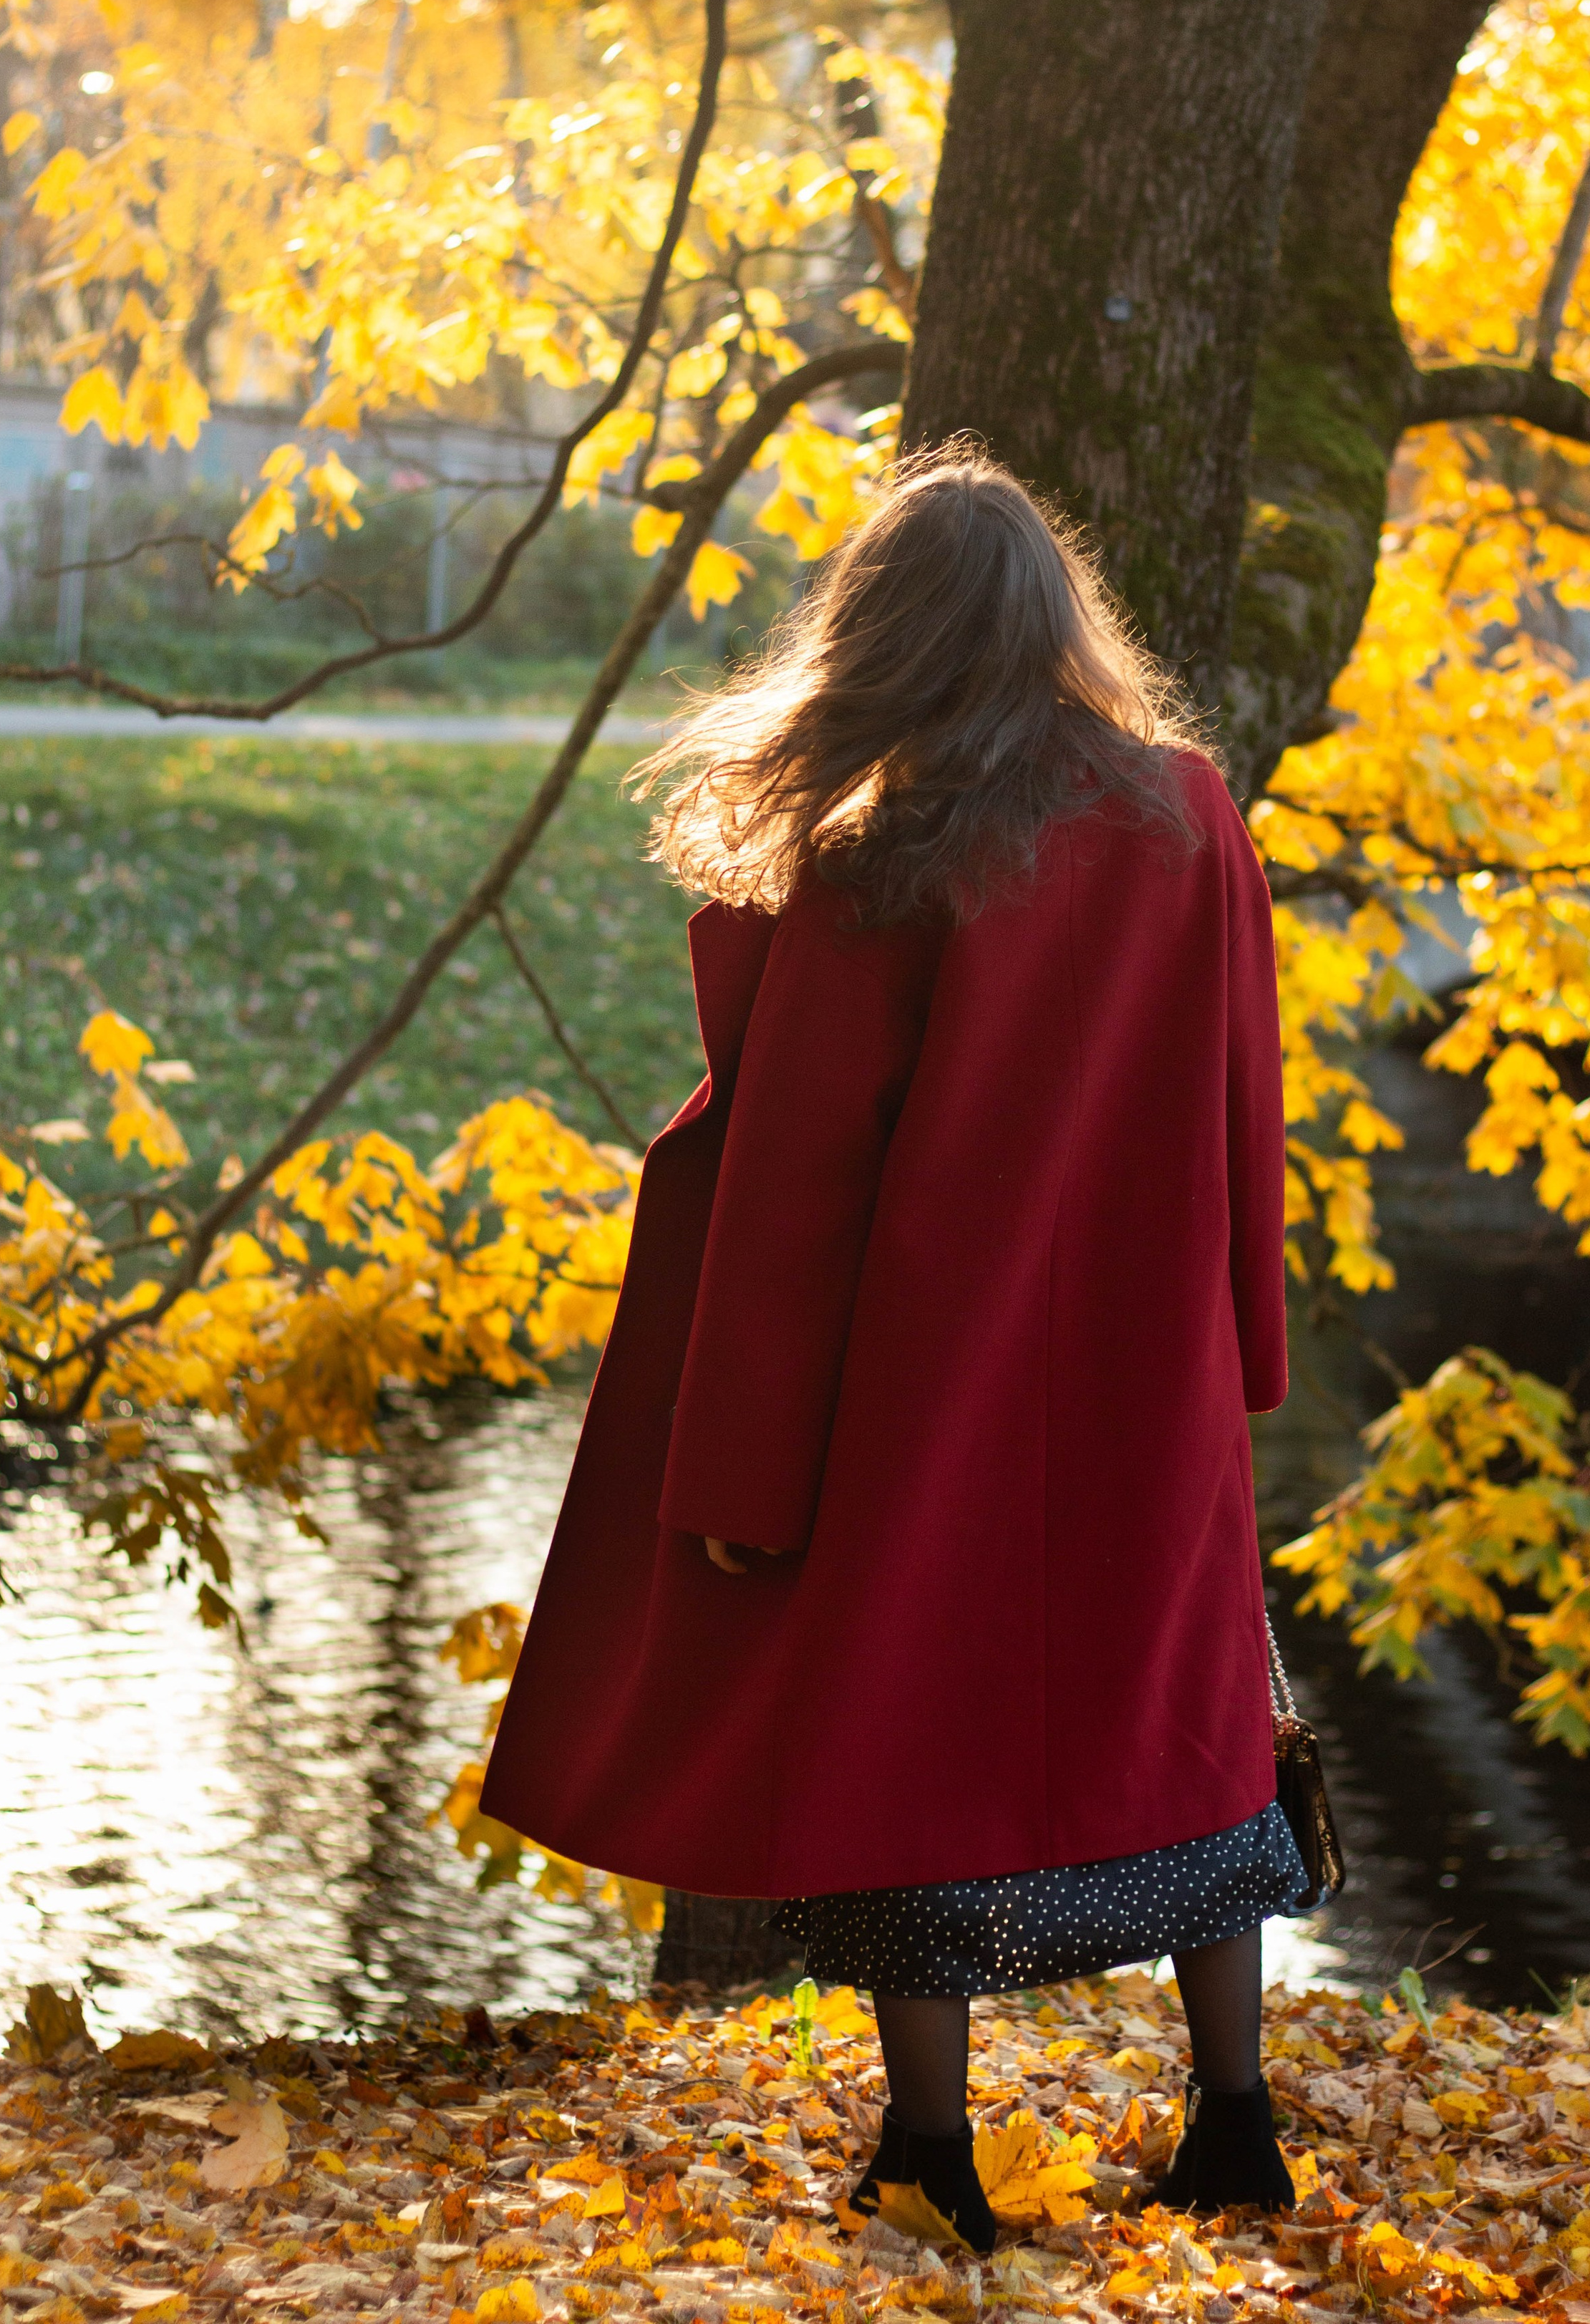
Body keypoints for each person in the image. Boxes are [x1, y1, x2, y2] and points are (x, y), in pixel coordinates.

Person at [482, 445, 1309, 2246]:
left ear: (887, 638)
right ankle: (1234, 2120)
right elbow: (1243, 1097)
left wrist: (738, 1477)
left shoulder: (884, 858)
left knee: (907, 1739)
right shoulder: (1190, 816)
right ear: (1054, 624)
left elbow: (794, 1191)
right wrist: (1240, 1352)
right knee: (1186, 1731)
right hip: (1145, 1372)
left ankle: (931, 2153)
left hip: (927, 1387)